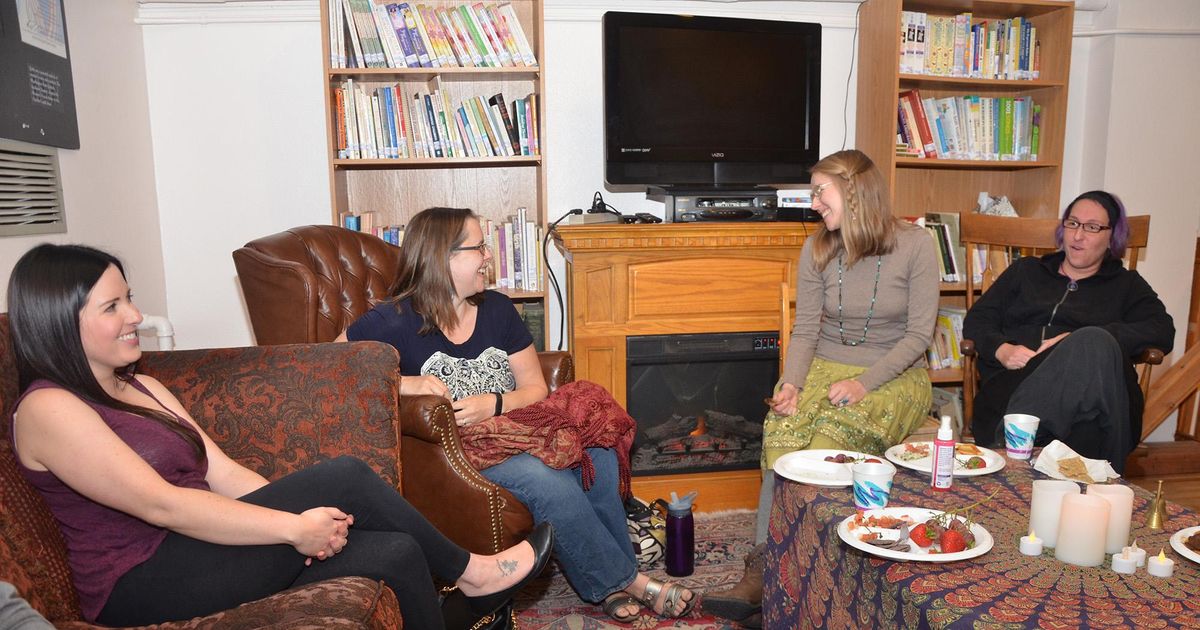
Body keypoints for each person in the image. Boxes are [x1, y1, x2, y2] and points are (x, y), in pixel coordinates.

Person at [5, 243, 554, 628]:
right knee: (346, 475)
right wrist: (292, 528)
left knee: (397, 550)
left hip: (200, 546)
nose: (136, 314)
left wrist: (306, 518)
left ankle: (455, 598)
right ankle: (475, 571)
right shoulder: (49, 408)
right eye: (112, 306)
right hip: (141, 579)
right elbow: (164, 506)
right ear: (60, 321)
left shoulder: (142, 384)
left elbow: (220, 473)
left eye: (129, 297)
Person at [339, 207, 697, 624]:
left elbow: (535, 389)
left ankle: (611, 584)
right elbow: (331, 371)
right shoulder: (393, 320)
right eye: (479, 247)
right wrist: (404, 383)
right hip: (456, 459)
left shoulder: (497, 310)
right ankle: (629, 580)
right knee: (549, 482)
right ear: (444, 257)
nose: (489, 257)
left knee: (595, 455)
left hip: (516, 432)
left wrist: (491, 402)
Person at [704, 149, 939, 627]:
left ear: (853, 193)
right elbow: (807, 328)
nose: (813, 203)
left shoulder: (916, 245)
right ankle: (765, 569)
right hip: (825, 366)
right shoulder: (816, 249)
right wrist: (791, 384)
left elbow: (919, 336)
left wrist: (863, 382)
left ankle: (817, 574)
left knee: (827, 441)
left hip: (892, 374)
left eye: (819, 191)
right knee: (783, 433)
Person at [962, 190, 1174, 471]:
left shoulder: (1127, 286)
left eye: (1092, 227)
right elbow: (978, 320)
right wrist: (1002, 349)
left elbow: (1162, 330)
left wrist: (1076, 340)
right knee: (1091, 428)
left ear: (1113, 236)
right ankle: (1103, 482)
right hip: (1014, 389)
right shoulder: (1026, 272)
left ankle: (1013, 443)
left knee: (1094, 344)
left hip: (1088, 406)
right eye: (1073, 223)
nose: (1078, 235)